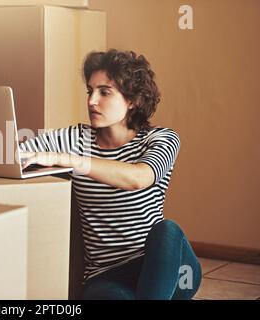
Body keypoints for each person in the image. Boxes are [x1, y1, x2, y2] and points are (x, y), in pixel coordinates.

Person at [19, 49, 202, 299]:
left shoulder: (161, 139)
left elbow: (139, 178)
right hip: (107, 274)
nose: (92, 100)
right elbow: (14, 156)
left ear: (133, 100)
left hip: (164, 266)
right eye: (90, 91)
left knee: (167, 230)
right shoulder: (74, 139)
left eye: (104, 92)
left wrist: (68, 160)